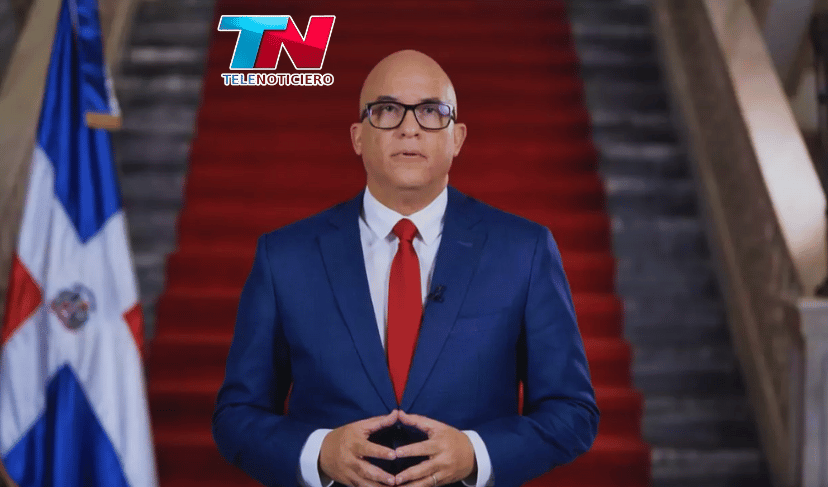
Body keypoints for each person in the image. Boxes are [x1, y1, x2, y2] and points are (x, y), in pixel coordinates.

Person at [212, 50, 599, 487]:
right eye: (387, 110)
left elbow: (573, 411)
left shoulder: (524, 250)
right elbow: (236, 416)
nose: (409, 128)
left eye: (432, 111)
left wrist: (476, 453)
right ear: (358, 136)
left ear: (457, 138)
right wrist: (318, 453)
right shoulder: (284, 256)